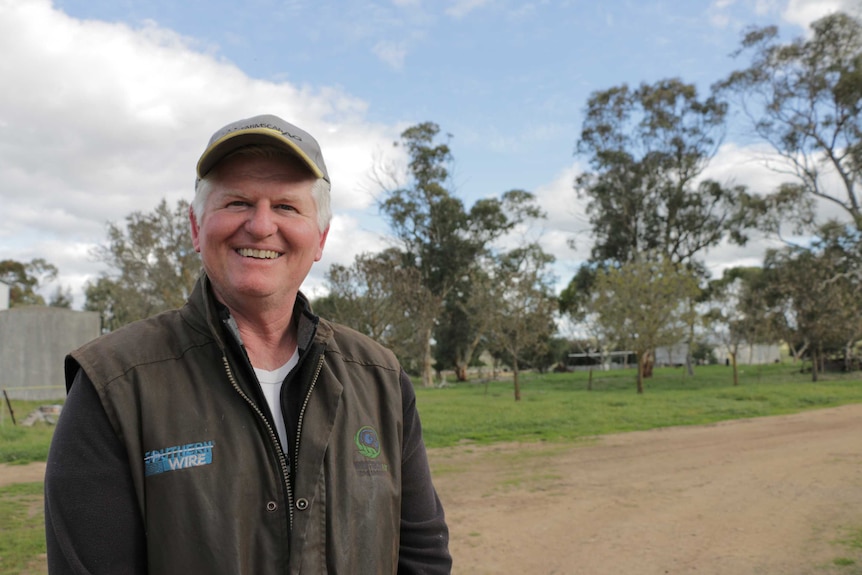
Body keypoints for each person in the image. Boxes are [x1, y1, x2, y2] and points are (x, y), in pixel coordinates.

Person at [44, 114, 452, 574]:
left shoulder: (380, 378)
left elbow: (423, 557)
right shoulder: (113, 385)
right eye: (237, 202)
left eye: (287, 206)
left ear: (319, 238)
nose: (260, 226)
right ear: (197, 228)